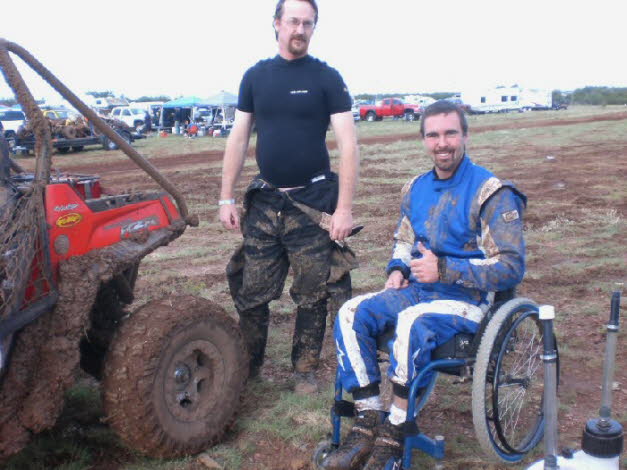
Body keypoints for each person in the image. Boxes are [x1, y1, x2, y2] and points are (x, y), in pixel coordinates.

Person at [321, 100, 526, 470]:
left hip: (468, 299)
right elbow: (404, 238)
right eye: (433, 135)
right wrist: (398, 267)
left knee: (412, 322)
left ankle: (396, 430)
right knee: (350, 313)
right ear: (424, 140)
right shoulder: (415, 188)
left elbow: (511, 267)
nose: (442, 143)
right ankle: (368, 420)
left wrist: (445, 269)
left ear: (465, 134)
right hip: (417, 290)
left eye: (450, 133)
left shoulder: (492, 192)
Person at [218, 0, 359, 394]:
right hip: (264, 204)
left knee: (312, 292)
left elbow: (348, 146)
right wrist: (225, 198)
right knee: (252, 291)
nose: (300, 29)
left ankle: (304, 371)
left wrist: (343, 209)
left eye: (308, 23)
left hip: (313, 205)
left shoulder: (327, 78)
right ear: (276, 24)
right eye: (293, 21)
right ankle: (249, 366)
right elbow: (239, 137)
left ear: (314, 28)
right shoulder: (255, 77)